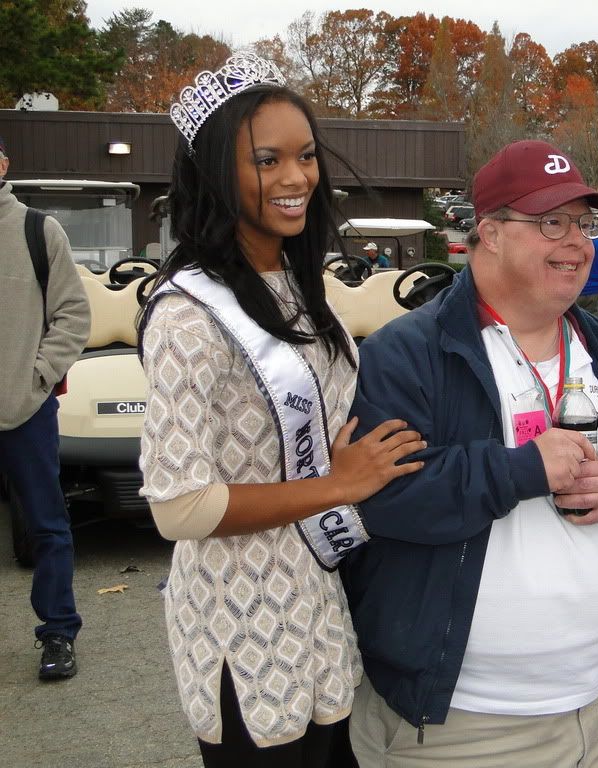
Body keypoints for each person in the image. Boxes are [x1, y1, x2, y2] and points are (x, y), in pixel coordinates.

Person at [341, 139, 598, 767]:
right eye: (550, 223)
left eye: (583, 223)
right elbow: (386, 496)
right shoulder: (406, 354)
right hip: (461, 724)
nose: (576, 242)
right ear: (489, 232)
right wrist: (520, 469)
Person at [138, 53, 425, 768]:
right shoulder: (187, 314)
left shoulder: (296, 284)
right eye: (267, 160)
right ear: (212, 170)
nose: (296, 178)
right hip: (240, 617)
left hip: (316, 596)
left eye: (304, 156)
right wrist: (337, 485)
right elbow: (179, 508)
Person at [0, 136, 90, 680]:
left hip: (24, 408)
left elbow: (73, 316)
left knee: (47, 526)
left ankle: (57, 632)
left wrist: (36, 377)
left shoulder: (38, 230)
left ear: (3, 163)